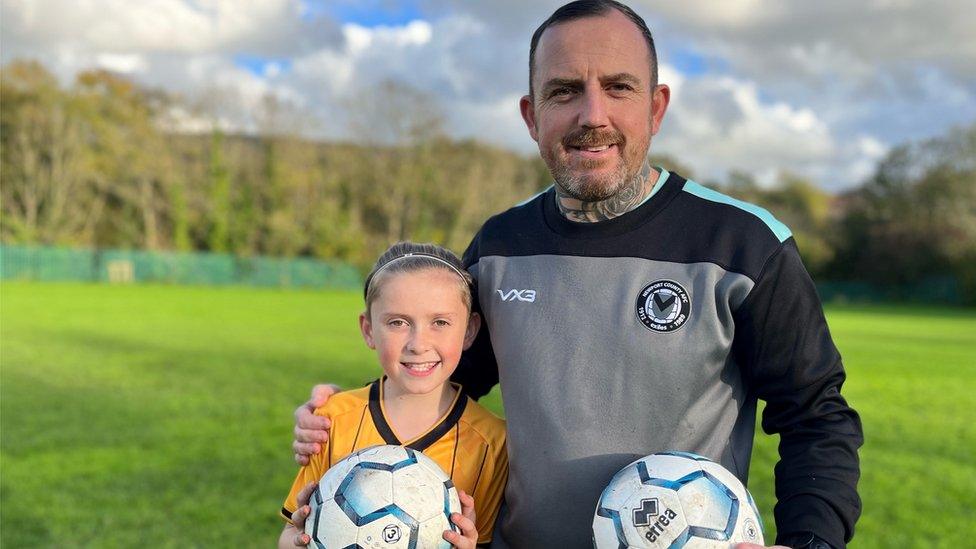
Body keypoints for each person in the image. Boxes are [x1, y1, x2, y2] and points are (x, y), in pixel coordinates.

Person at [292, 2, 862, 548]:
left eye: (619, 87)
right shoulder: (498, 247)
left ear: (656, 108)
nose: (593, 116)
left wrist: (811, 541)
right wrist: (348, 415)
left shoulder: (744, 244)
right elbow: (442, 379)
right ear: (531, 115)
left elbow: (815, 414)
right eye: (563, 91)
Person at [279, 242, 508, 548]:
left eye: (440, 322)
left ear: (469, 330)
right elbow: (290, 535)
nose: (418, 343)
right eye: (398, 322)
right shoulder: (331, 421)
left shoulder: (492, 442)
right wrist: (300, 540)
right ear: (369, 329)